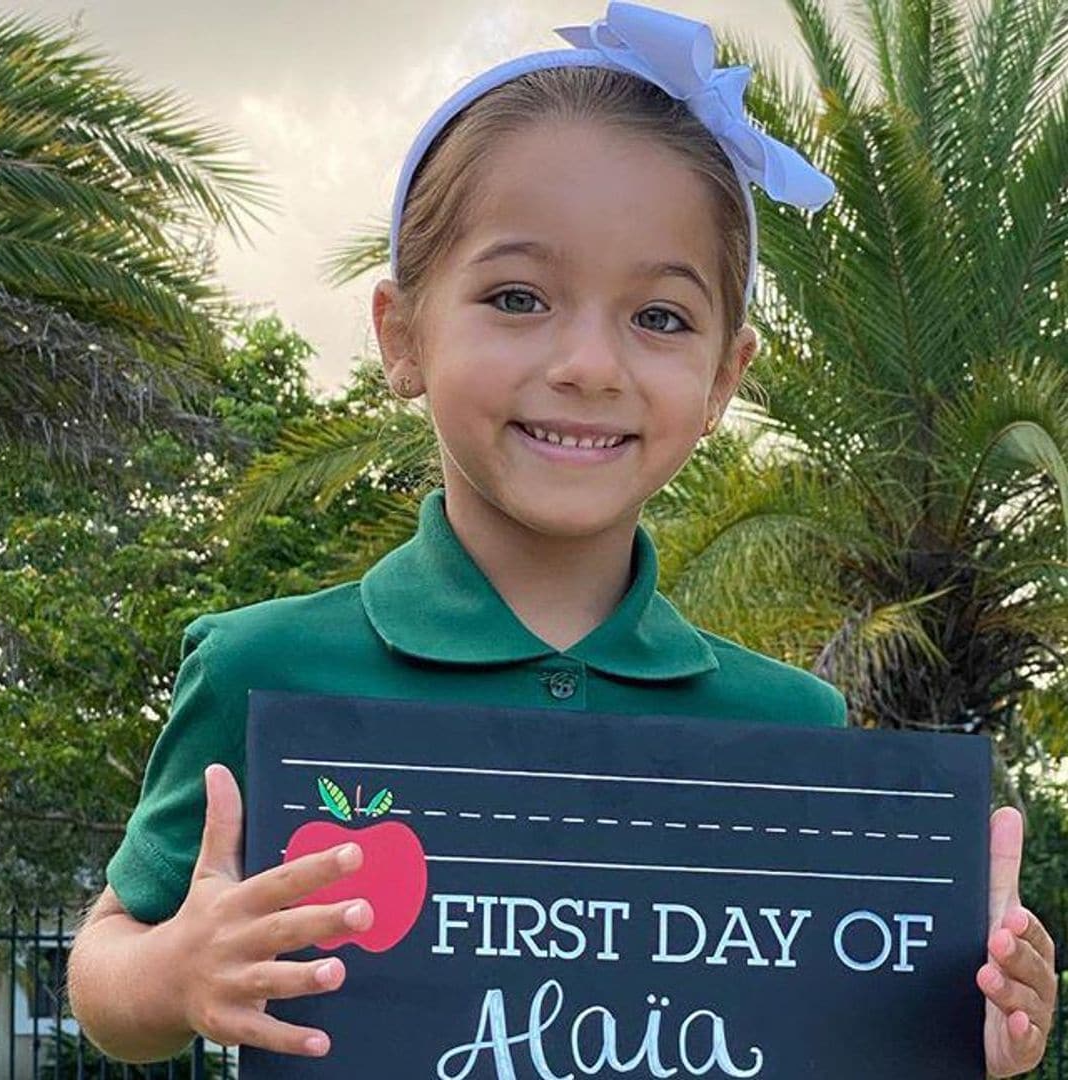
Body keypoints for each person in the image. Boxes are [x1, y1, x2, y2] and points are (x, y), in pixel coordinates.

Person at [66, 2, 1056, 1076]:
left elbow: (810, 1031)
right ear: (402, 336)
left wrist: (957, 1026)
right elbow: (109, 965)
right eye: (519, 296)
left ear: (726, 377)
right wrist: (170, 975)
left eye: (661, 317)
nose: (590, 363)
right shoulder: (265, 669)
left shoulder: (789, 725)